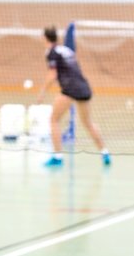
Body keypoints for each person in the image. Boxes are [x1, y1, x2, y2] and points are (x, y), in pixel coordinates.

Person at [36, 26, 111, 167]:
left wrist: (42, 92)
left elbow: (53, 74)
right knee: (87, 123)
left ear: (45, 38)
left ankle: (57, 157)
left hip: (70, 89)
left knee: (53, 120)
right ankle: (105, 152)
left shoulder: (51, 52)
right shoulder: (66, 50)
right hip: (84, 87)